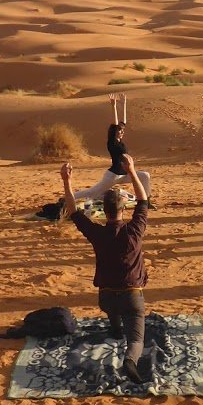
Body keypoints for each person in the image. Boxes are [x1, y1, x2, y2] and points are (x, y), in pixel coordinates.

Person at [61, 155, 151, 383]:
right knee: (137, 340)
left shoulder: (97, 233)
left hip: (107, 297)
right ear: (123, 208)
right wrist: (131, 171)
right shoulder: (134, 231)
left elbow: (73, 211)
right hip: (132, 297)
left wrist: (66, 181)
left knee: (113, 309)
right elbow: (143, 201)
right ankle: (130, 360)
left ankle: (115, 328)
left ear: (105, 210)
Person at [74, 93, 152, 203]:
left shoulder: (120, 141)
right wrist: (114, 106)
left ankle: (146, 201)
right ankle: (69, 197)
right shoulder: (112, 142)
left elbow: (123, 122)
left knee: (145, 176)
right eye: (120, 131)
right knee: (92, 192)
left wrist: (124, 103)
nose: (122, 132)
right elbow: (115, 125)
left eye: (123, 131)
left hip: (125, 174)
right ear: (115, 132)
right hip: (113, 175)